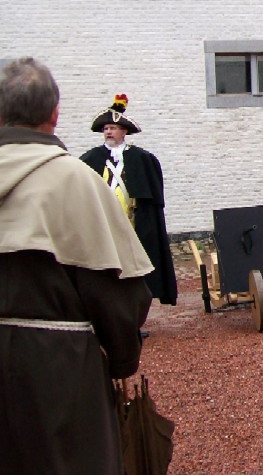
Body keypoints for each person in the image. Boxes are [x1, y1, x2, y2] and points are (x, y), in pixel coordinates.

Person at [0, 58, 152, 475]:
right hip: (59, 374)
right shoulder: (78, 181)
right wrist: (122, 360)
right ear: (54, 114)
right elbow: (120, 293)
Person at [80, 94, 178, 306]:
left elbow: (154, 200)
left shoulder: (142, 159)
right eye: (105, 128)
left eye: (112, 128)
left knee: (136, 269)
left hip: (135, 224)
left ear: (124, 131)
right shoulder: (90, 159)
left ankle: (135, 312)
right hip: (104, 224)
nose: (108, 132)